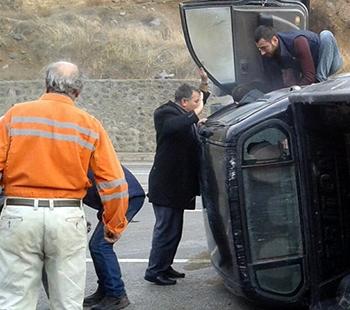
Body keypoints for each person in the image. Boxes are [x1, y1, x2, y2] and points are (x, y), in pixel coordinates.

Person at [0, 61, 128, 310]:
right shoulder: (89, 124)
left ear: (46, 84)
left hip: (19, 214)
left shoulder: (15, 115)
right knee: (68, 302)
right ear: (78, 91)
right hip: (67, 217)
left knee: (14, 300)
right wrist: (114, 225)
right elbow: (114, 182)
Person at [144, 70, 208, 286]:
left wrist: (204, 84)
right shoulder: (164, 114)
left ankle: (165, 266)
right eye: (196, 102)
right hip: (165, 185)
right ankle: (154, 271)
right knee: (165, 230)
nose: (199, 104)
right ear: (184, 102)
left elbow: (189, 116)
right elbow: (175, 126)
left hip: (177, 186)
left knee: (174, 230)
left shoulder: (181, 113)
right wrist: (196, 115)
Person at [83, 166, 145, 310]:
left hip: (124, 196)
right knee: (97, 245)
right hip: (119, 195)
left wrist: (112, 222)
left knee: (100, 245)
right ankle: (105, 290)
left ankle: (117, 295)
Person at [254, 25, 342, 89]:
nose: (262, 52)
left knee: (326, 35)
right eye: (259, 49)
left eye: (264, 47)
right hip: (309, 68)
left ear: (274, 40)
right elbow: (274, 83)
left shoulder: (298, 41)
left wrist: (296, 91)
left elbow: (310, 76)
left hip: (328, 60)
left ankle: (321, 81)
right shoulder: (267, 54)